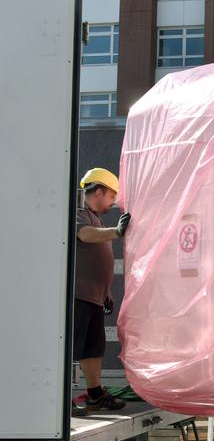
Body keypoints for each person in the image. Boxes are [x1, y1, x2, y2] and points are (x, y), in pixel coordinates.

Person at [72, 168, 131, 415]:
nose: (113, 203)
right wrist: (116, 231)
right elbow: (85, 236)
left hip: (94, 297)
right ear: (99, 191)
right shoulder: (78, 214)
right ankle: (59, 401)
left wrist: (106, 291)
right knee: (72, 348)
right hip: (78, 296)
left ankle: (95, 394)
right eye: (111, 197)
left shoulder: (96, 218)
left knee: (93, 348)